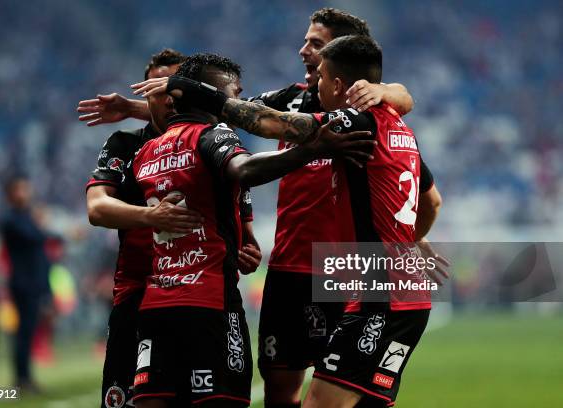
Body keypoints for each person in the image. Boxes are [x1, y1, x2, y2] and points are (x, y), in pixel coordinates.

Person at [78, 9, 415, 406]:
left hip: (347, 268)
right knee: (292, 390)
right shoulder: (294, 101)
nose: (303, 50)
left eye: (315, 45)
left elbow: (244, 120)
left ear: (339, 68)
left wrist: (391, 90)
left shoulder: (361, 116)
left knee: (342, 390)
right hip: (291, 266)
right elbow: (238, 113)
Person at [162, 34, 447, 407]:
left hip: (382, 293)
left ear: (339, 84)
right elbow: (431, 201)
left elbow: (269, 123)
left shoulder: (353, 121)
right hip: (398, 291)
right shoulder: (399, 125)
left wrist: (200, 93)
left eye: (323, 78)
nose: (317, 85)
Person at [129, 53, 374, 408]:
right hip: (209, 304)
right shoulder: (211, 135)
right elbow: (244, 171)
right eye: (231, 94)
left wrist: (241, 239)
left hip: (155, 308)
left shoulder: (147, 151)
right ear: (208, 94)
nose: (236, 103)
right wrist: (315, 148)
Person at [85, 49, 251, 408]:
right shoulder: (125, 145)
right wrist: (150, 217)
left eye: (173, 87)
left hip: (199, 290)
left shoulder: (212, 138)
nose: (167, 98)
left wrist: (245, 242)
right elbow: (97, 208)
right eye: (156, 90)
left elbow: (239, 199)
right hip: (137, 290)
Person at [0, 176, 51, 392]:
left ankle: (25, 377)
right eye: (21, 189)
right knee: (24, 332)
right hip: (23, 283)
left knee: (28, 332)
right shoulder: (10, 219)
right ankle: (22, 379)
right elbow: (35, 236)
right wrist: (41, 225)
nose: (26, 193)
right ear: (11, 193)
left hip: (33, 282)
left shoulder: (25, 217)